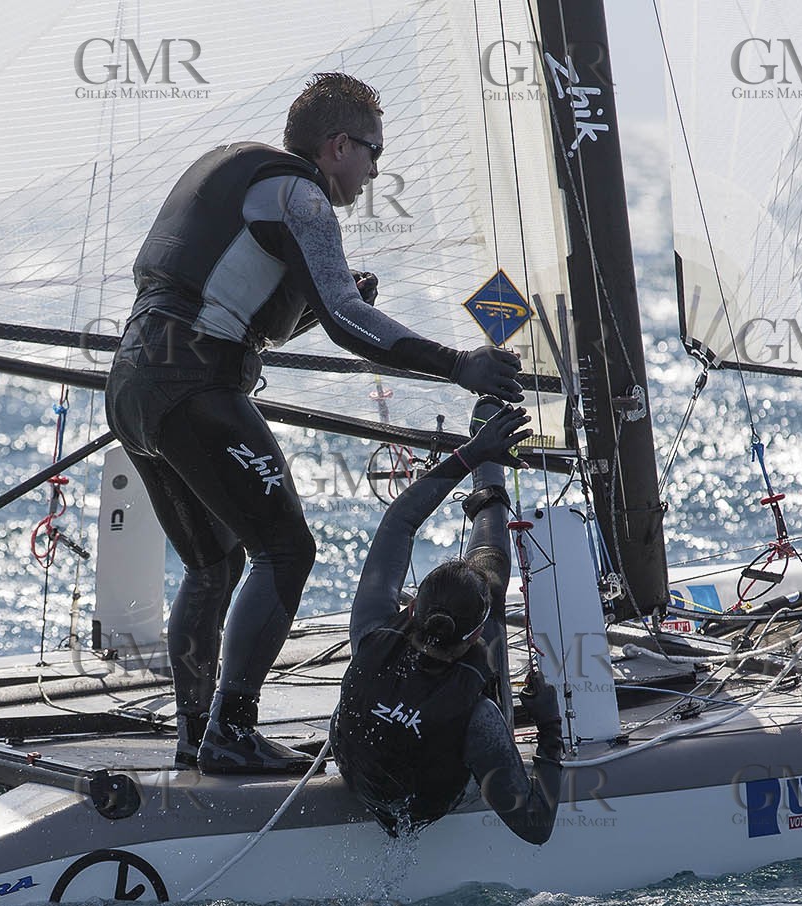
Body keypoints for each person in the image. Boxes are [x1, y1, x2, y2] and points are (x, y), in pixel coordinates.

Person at [106, 72, 525, 774]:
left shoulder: (245, 174)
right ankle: (229, 729)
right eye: (372, 152)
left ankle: (198, 733)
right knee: (287, 550)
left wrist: (310, 307)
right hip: (192, 384)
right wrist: (461, 365)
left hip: (133, 381)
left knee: (215, 564)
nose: (374, 171)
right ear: (337, 146)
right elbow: (349, 323)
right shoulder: (302, 195)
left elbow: (240, 309)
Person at [331, 398, 565, 844]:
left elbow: (399, 522)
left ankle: (487, 479)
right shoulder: (480, 720)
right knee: (490, 589)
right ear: (478, 634)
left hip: (359, 778)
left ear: (413, 607)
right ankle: (491, 489)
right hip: (425, 806)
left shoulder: (371, 633)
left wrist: (469, 453)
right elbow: (536, 828)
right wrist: (549, 728)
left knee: (484, 588)